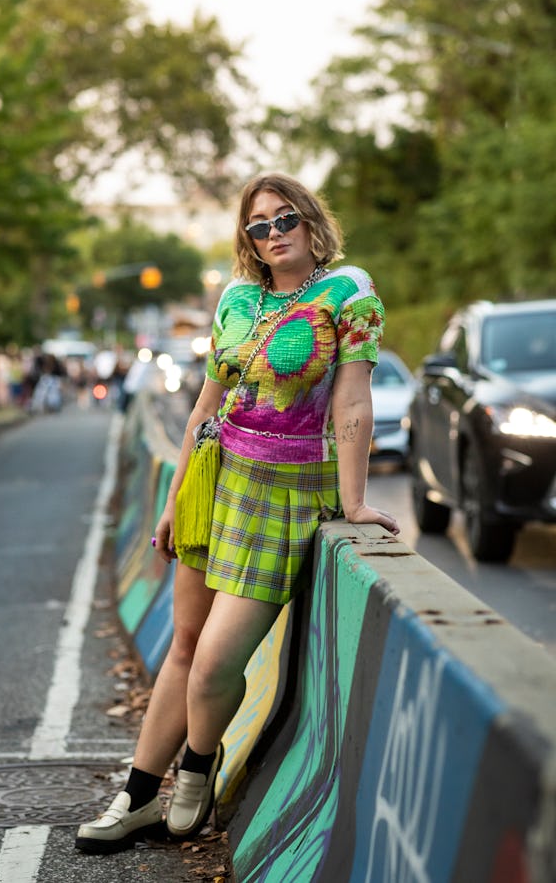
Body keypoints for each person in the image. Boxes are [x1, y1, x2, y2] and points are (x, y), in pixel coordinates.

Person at [75, 172, 400, 854]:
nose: (275, 233)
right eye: (260, 225)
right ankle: (135, 798)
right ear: (247, 238)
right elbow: (202, 408)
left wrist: (353, 501)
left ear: (312, 222)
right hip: (216, 482)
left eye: (286, 219)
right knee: (185, 647)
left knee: (216, 662)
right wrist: (174, 500)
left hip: (285, 497)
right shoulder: (236, 299)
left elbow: (352, 404)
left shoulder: (350, 294)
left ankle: (196, 765)